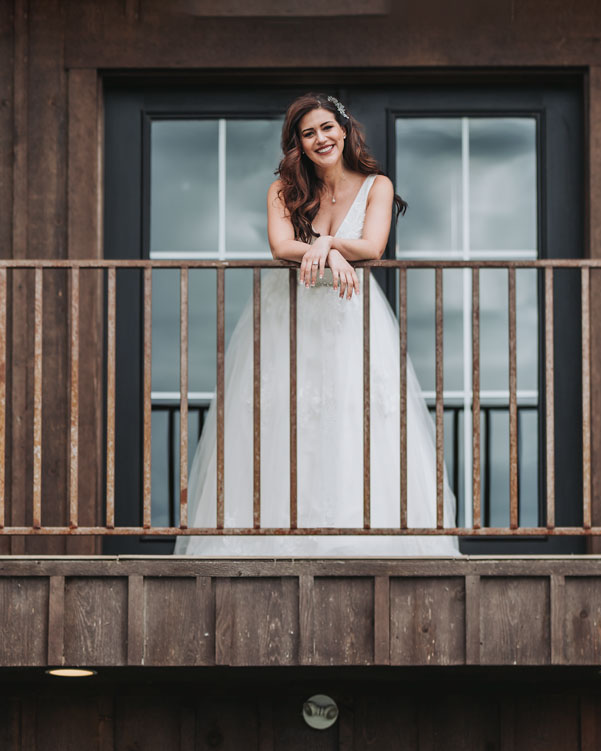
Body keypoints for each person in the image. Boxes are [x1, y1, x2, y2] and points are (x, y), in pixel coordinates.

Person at [176, 94, 459, 556]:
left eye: (327, 128)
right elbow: (280, 247)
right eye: (309, 133)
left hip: (349, 314)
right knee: (282, 414)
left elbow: (371, 247)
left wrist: (325, 243)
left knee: (354, 414)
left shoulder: (376, 186)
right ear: (299, 145)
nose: (321, 138)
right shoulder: (282, 190)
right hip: (285, 312)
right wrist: (328, 251)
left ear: (344, 130)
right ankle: (274, 535)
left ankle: (357, 533)